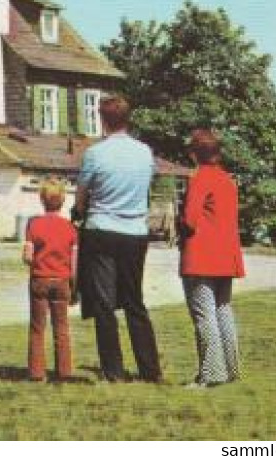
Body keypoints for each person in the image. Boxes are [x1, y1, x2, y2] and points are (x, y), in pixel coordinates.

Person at [72, 95, 163, 383]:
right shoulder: (144, 152)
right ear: (128, 119)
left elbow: (82, 196)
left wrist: (78, 211)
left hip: (102, 229)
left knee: (104, 303)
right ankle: (150, 369)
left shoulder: (95, 154)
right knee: (135, 301)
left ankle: (114, 369)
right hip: (135, 232)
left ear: (102, 120)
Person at [180, 128, 245, 388]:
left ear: (195, 153)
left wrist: (179, 222)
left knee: (203, 315)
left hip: (201, 256)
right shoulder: (227, 180)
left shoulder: (200, 178)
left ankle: (210, 374)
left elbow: (190, 220)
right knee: (223, 312)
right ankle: (230, 369)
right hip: (225, 256)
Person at [23, 177, 78, 382]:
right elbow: (74, 263)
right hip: (62, 280)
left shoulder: (34, 225)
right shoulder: (71, 228)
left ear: (42, 200)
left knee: (37, 327)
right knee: (61, 328)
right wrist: (74, 285)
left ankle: (37, 372)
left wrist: (36, 263)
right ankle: (64, 371)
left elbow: (27, 256)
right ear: (63, 200)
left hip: (39, 279)